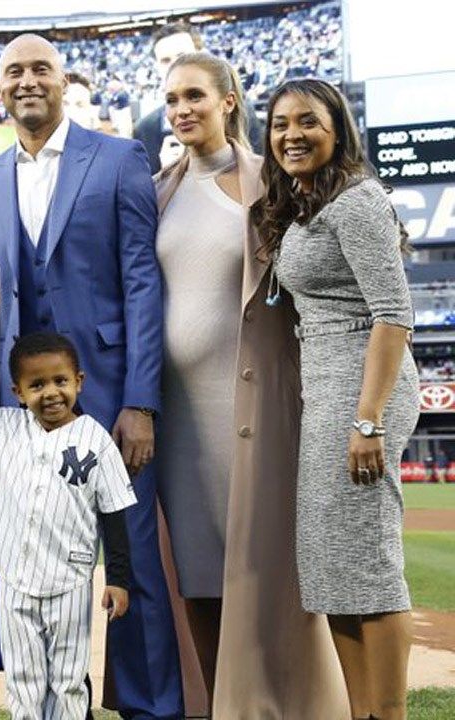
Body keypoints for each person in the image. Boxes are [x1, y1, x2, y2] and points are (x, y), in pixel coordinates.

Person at [0, 33, 181, 719]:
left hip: (111, 395)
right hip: (21, 410)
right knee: (34, 569)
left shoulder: (119, 160)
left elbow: (144, 284)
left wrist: (141, 401)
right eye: (13, 72)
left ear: (63, 82)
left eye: (41, 70)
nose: (27, 81)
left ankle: (151, 709)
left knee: (133, 561)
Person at [153, 53, 349, 717]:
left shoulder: (274, 181)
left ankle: (287, 702)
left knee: (266, 572)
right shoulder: (159, 187)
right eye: (173, 98)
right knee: (197, 572)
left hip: (257, 400)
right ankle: (214, 703)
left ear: (230, 99)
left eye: (195, 97)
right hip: (177, 416)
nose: (183, 110)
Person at [255, 78, 419, 720]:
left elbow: (393, 312)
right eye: (280, 123)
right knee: (336, 566)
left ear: (337, 128)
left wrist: (368, 419)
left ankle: (389, 712)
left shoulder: (356, 200)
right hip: (328, 385)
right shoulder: (307, 203)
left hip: (361, 388)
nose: (292, 134)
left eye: (308, 122)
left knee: (369, 564)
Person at [0, 329, 134, 719]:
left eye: (60, 380)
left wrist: (118, 578)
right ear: (18, 392)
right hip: (15, 577)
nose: (51, 393)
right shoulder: (4, 428)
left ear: (78, 381)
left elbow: (114, 513)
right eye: (37, 384)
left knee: (67, 681)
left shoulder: (96, 441)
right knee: (24, 678)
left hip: (71, 579)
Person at [133, 22, 264, 174]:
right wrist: (166, 176)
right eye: (165, 60)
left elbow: (264, 176)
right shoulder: (145, 129)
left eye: (183, 56)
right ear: (156, 67)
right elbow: (144, 194)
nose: (175, 65)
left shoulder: (241, 110)